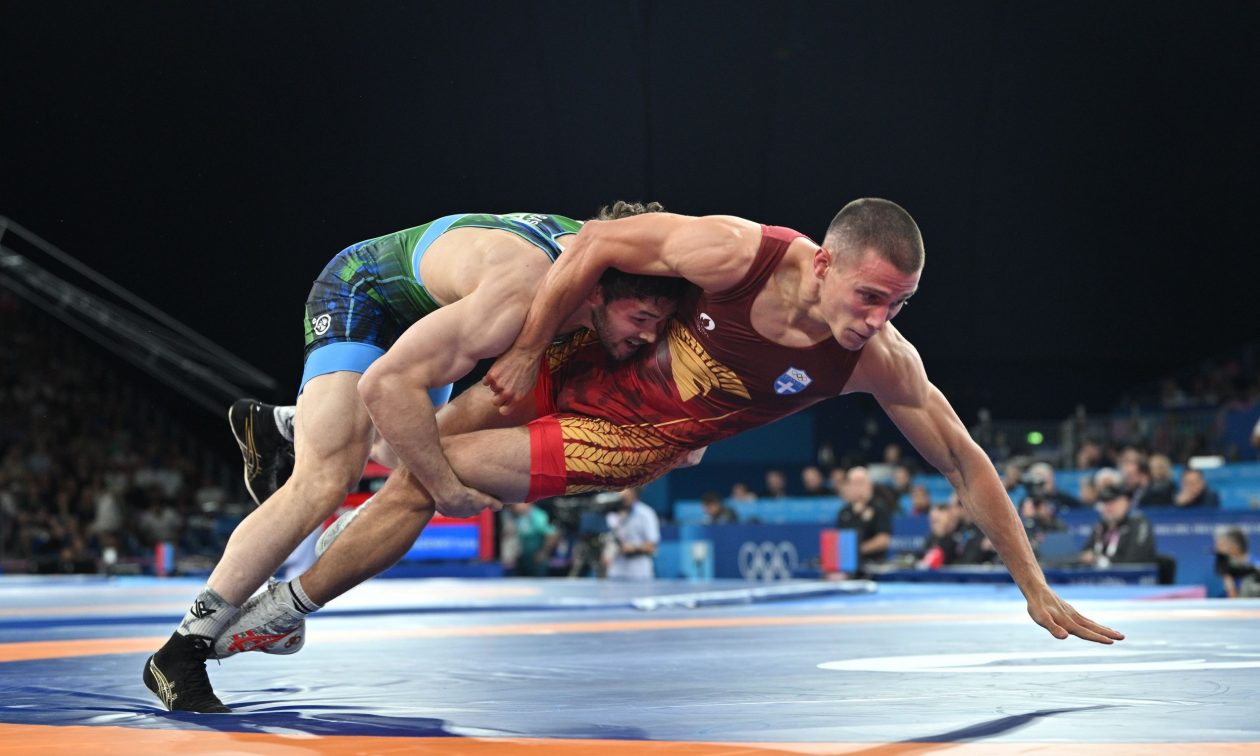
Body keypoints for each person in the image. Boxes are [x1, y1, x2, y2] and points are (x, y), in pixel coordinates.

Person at [203, 198, 1123, 713]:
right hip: (594, 352)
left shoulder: (877, 361)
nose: (878, 319)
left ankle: (280, 607)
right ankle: (295, 428)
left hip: (624, 438)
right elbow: (600, 240)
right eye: (871, 296)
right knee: (414, 417)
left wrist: (1033, 585)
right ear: (823, 264)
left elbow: (963, 460)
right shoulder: (737, 253)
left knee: (423, 481)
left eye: (899, 305)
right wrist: (529, 349)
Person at [141, 203, 684, 713]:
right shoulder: (521, 295)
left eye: (657, 324)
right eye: (639, 318)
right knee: (327, 478)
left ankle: (281, 422)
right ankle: (182, 649)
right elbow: (385, 384)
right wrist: (446, 491)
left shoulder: (603, 262)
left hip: (437, 312)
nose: (648, 335)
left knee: (397, 447)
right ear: (597, 293)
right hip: (364, 291)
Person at [1079, 483, 1157, 567]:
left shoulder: (1139, 524)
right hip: (1099, 574)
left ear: (1127, 502)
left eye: (1113, 502)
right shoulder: (1100, 527)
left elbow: (1134, 562)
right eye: (1105, 503)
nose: (1108, 507)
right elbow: (1084, 555)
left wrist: (1098, 560)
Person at [834, 466, 892, 574]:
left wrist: (857, 550)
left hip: (874, 564)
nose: (858, 487)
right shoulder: (844, 512)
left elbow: (884, 540)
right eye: (854, 483)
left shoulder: (879, 508)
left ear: (870, 485)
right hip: (847, 565)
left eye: (861, 483)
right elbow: (840, 539)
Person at [603, 487, 660, 580]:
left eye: (627, 491)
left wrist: (632, 548)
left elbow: (652, 547)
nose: (622, 495)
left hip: (640, 575)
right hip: (615, 573)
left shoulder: (646, 514)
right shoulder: (611, 515)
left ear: (635, 493)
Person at [501, 501, 559, 577]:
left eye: (517, 503)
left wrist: (544, 552)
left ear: (527, 503)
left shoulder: (538, 515)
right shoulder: (519, 516)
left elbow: (552, 534)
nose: (514, 506)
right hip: (523, 558)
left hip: (537, 559)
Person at [1213, 526, 1260, 598]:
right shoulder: (1227, 566)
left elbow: (1239, 602)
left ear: (1236, 546)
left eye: (1221, 545)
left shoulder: (1255, 569)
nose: (1217, 549)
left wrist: (1229, 581)